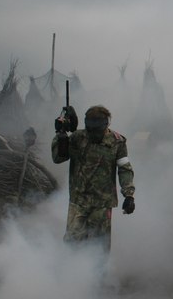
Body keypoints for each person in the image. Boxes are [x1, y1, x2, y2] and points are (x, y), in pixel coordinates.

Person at [52, 104, 135, 253]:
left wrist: (129, 194)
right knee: (72, 243)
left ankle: (97, 276)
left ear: (106, 124)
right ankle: (70, 273)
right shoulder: (78, 138)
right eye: (91, 130)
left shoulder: (117, 142)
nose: (94, 135)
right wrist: (60, 134)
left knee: (99, 247)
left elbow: (124, 169)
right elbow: (58, 158)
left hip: (102, 204)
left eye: (97, 131)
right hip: (79, 201)